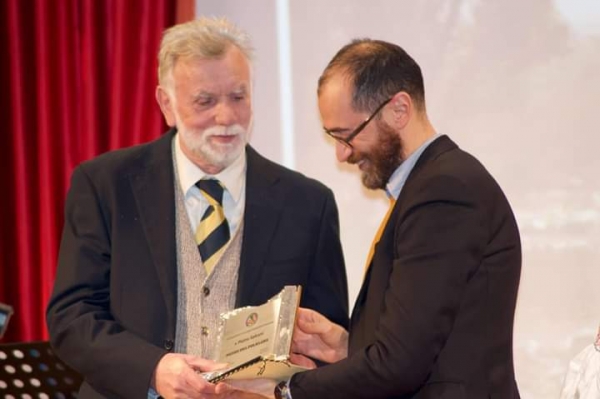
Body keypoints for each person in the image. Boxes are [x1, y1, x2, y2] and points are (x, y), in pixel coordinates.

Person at [45, 17, 349, 399]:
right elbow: (72, 317)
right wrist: (152, 370)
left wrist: (294, 376)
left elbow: (328, 336)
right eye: (205, 101)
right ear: (166, 104)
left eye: (238, 97)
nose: (226, 117)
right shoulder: (105, 185)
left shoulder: (308, 203)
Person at [223, 38, 522, 399]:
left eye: (347, 135)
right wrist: (346, 347)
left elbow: (400, 365)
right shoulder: (429, 186)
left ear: (398, 109)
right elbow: (421, 344)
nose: (341, 154)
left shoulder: (444, 191)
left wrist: (284, 390)